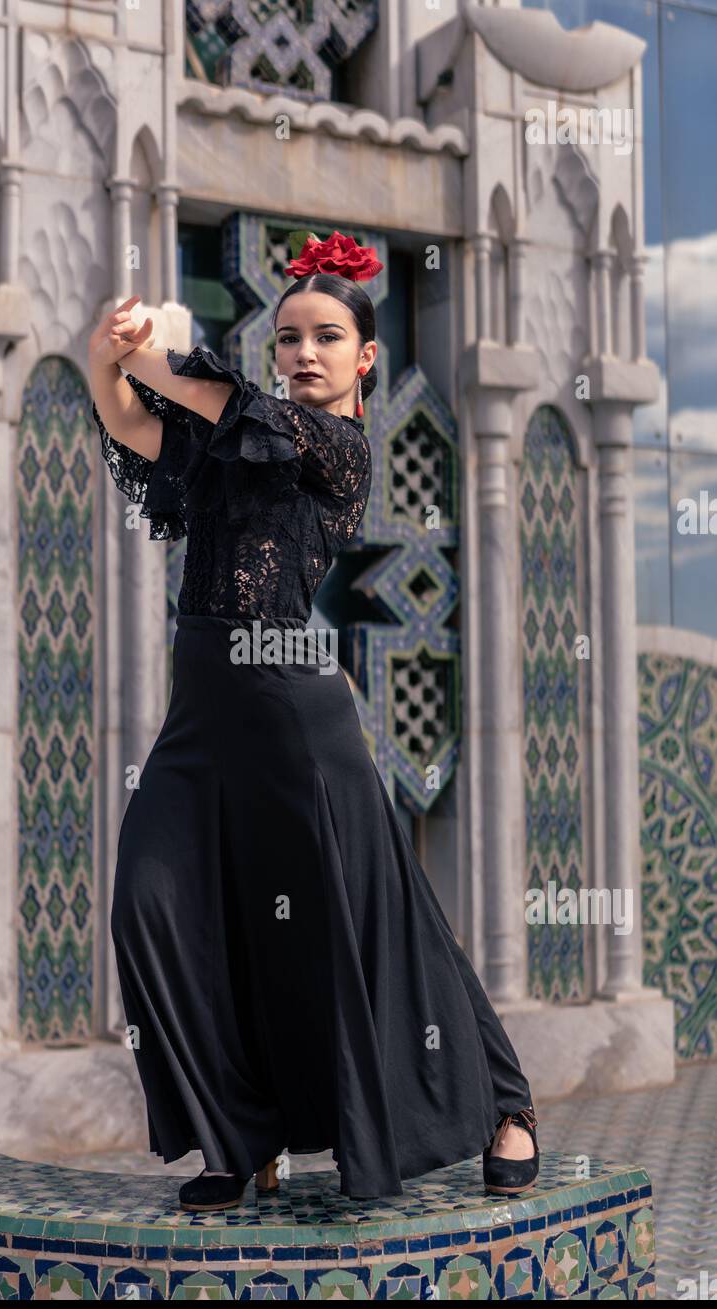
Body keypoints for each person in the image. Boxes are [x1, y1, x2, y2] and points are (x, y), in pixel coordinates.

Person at [87, 230, 539, 1213]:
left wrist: (153, 349)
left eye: (326, 336)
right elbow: (133, 425)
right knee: (149, 902)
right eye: (288, 336)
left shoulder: (335, 446)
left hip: (297, 711)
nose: (303, 353)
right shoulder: (232, 440)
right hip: (201, 716)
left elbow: (207, 393)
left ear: (363, 357)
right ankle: (238, 1131)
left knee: (374, 922)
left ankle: (506, 1106)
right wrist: (104, 350)